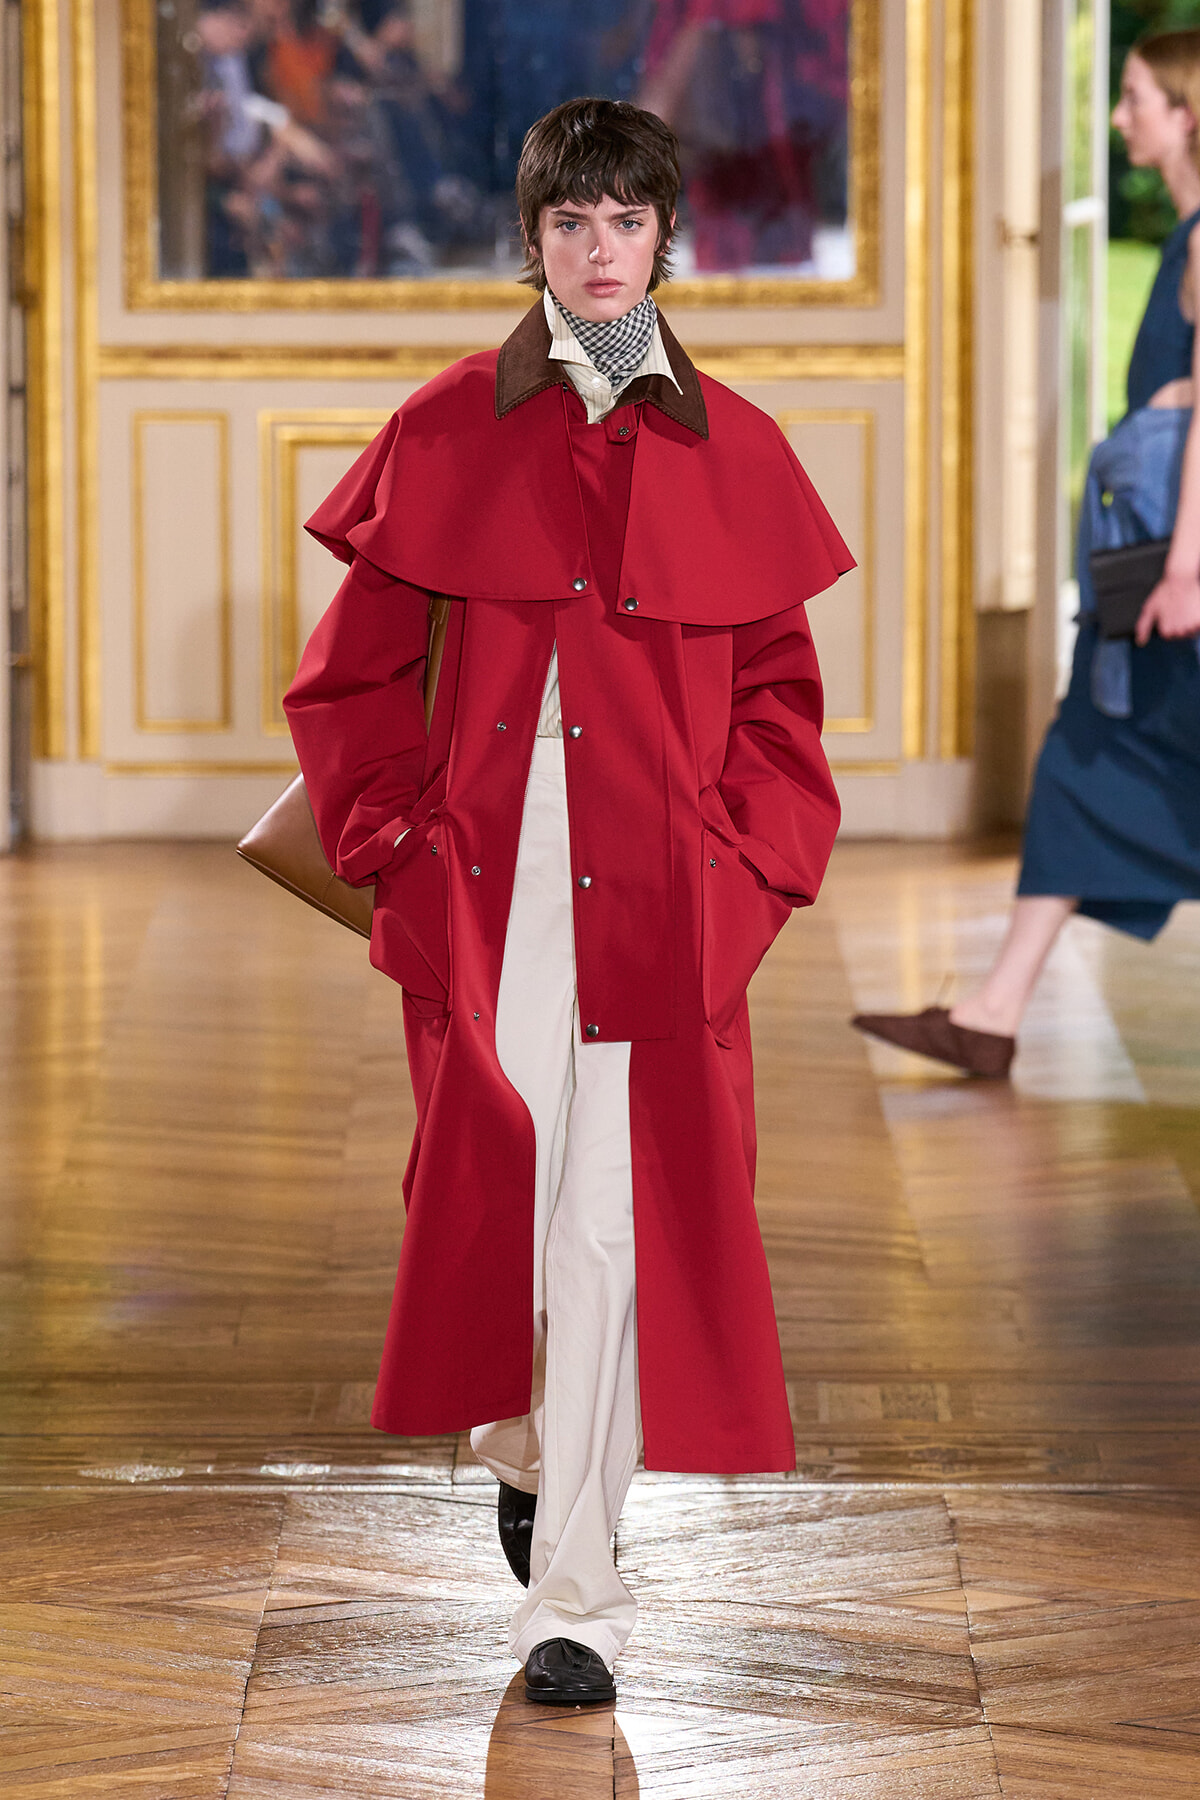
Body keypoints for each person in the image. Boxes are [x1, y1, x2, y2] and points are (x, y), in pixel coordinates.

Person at [283, 96, 852, 1705]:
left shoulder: (736, 447)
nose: (600, 253)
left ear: (669, 234)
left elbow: (783, 717)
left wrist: (743, 877)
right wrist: (399, 853)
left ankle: (577, 1601)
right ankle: (530, 1437)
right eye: (569, 224)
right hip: (491, 885)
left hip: (671, 897)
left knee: (610, 1227)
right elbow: (349, 687)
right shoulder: (450, 427)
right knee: (512, 1217)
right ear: (529, 240)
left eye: (626, 222)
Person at [853, 28, 1200, 1079]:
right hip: (1155, 570)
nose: (1116, 114)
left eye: (1135, 95)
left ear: (1187, 114)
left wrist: (1186, 566)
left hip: (1174, 572)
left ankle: (995, 1015)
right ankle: (995, 1014)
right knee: (1088, 754)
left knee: (1096, 751)